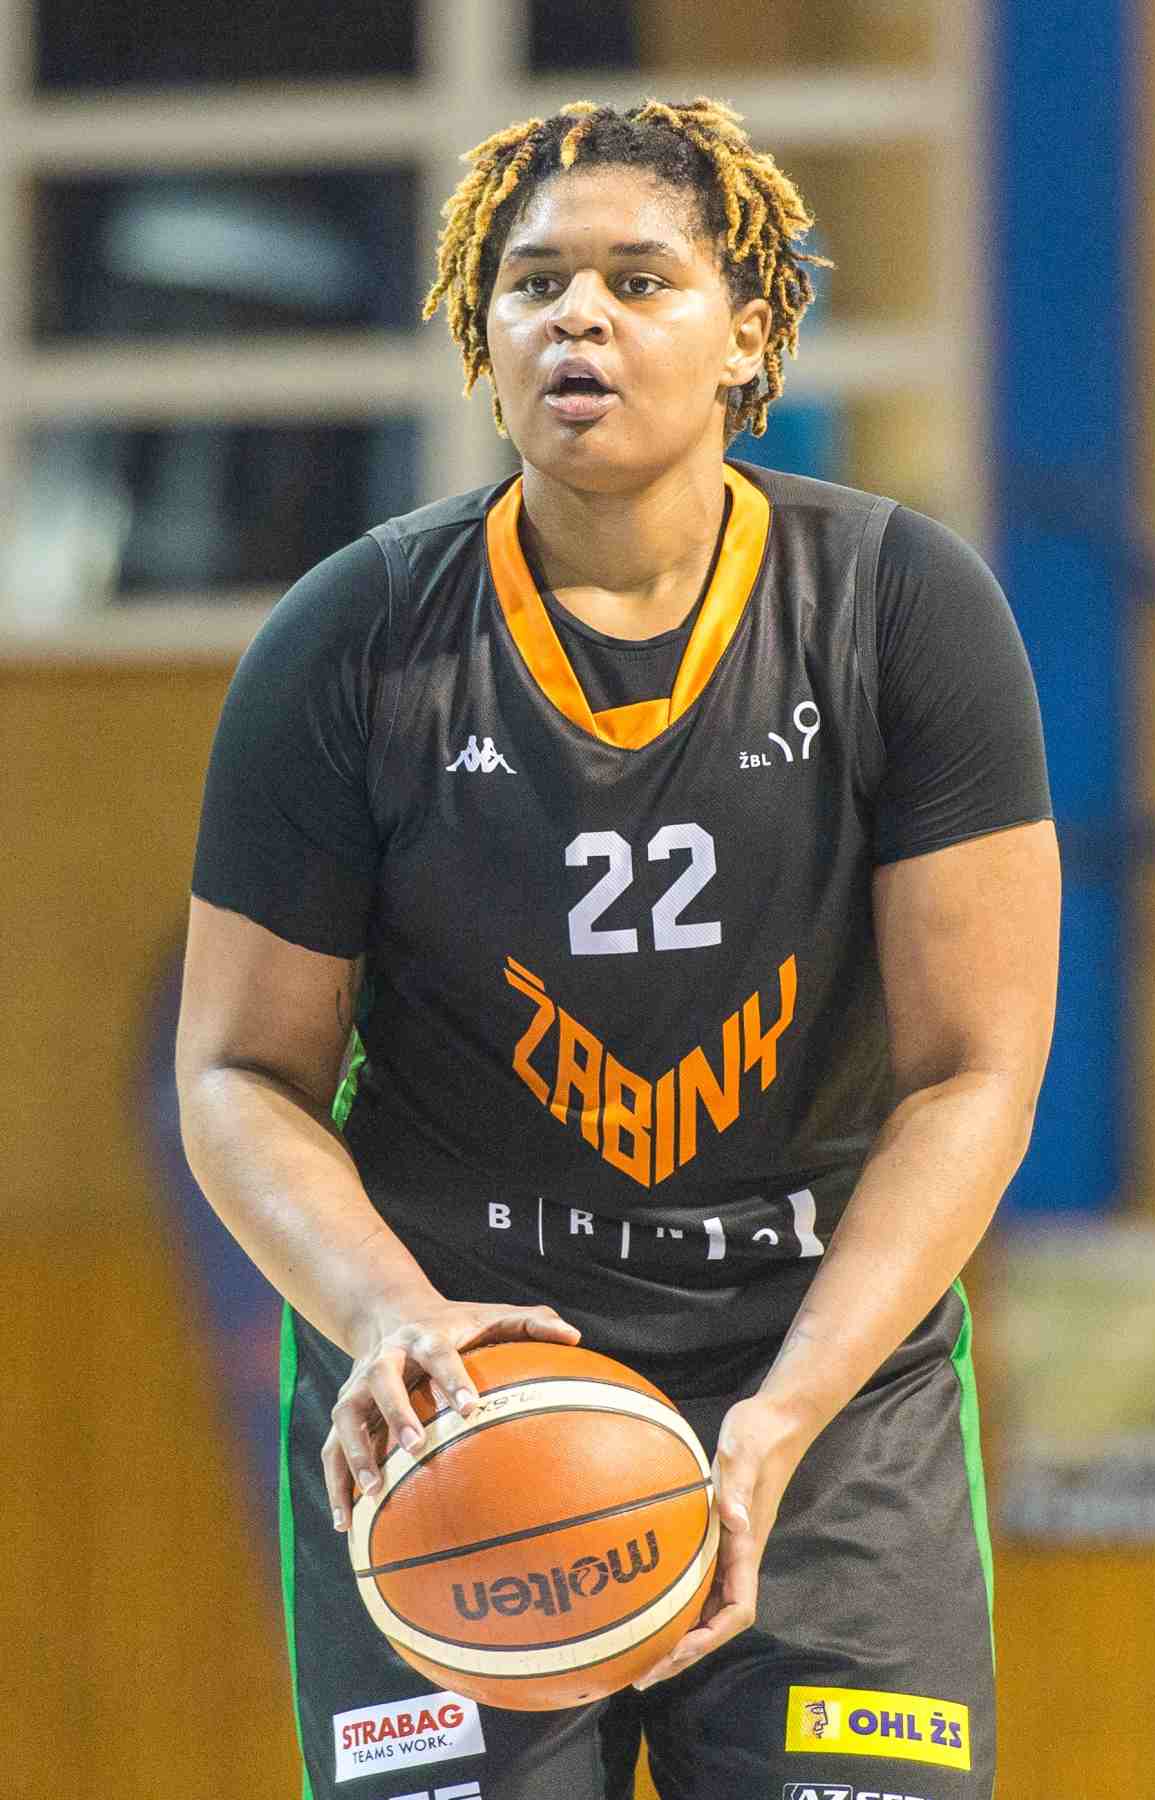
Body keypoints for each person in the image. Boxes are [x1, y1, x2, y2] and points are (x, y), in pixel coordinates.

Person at [176, 95, 1059, 1800]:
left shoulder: (901, 607)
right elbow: (235, 1073)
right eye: (532, 284)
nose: (575, 316)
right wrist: (387, 1320)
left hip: (817, 1376)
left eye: (639, 280)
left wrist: (786, 1414)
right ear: (481, 336)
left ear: (751, 334)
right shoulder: (350, 639)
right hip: (460, 1390)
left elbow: (976, 1073)